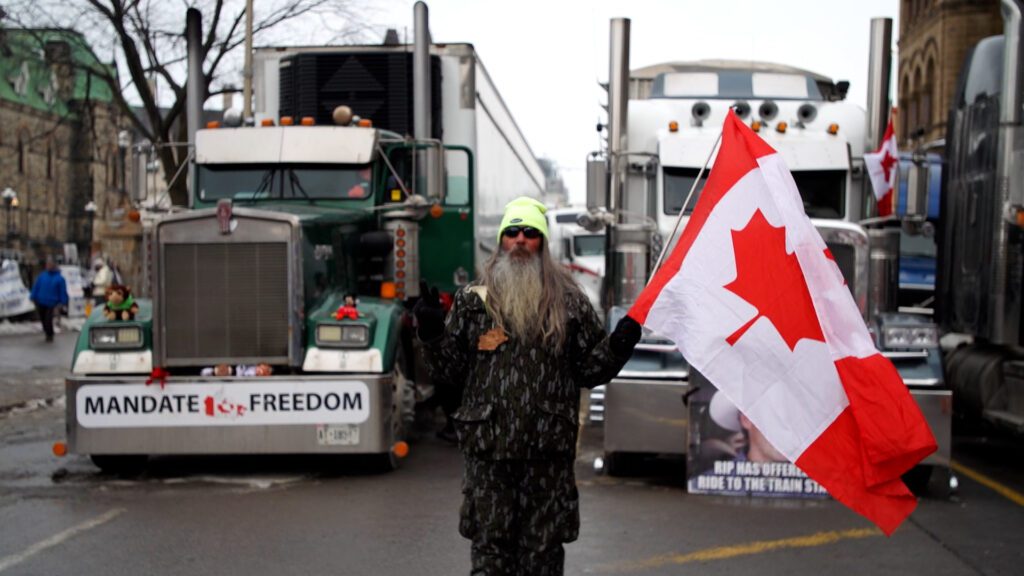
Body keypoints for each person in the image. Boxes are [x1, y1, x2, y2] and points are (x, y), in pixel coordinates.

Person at [414, 196, 642, 576]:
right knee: (491, 555)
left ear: (543, 242)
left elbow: (589, 370)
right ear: (502, 240)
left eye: (530, 233)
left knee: (543, 556)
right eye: (512, 232)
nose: (520, 239)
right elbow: (449, 371)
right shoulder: (474, 301)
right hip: (489, 453)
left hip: (546, 454)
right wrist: (432, 332)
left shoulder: (570, 302)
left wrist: (618, 346)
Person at [707, 390, 787, 463]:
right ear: (747, 420)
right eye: (775, 419)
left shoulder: (798, 475)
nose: (788, 433)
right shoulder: (718, 478)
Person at [29, 256, 68, 343]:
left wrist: (63, 302)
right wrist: (32, 296)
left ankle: (50, 334)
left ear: (54, 265)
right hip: (40, 301)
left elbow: (62, 291)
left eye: (50, 264)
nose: (48, 266)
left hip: (51, 303)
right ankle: (47, 331)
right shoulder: (42, 276)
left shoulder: (60, 279)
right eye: (47, 264)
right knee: (42, 319)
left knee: (48, 319)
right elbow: (36, 286)